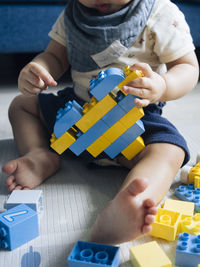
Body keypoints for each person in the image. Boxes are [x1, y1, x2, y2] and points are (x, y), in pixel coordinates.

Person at [2, 0, 199, 245]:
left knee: (170, 151)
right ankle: (39, 154)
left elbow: (187, 67)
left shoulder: (160, 13)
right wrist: (38, 68)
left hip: (134, 121)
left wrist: (163, 85)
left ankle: (129, 205)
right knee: (22, 105)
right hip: (77, 116)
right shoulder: (72, 16)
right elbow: (54, 56)